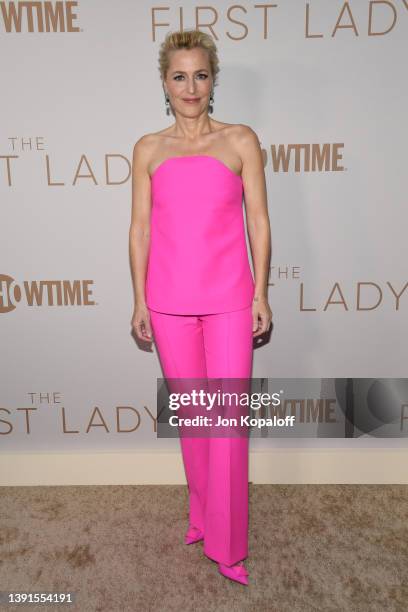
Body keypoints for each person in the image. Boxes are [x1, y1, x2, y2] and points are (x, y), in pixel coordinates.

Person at [129, 29, 272, 586]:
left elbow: (257, 220)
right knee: (194, 418)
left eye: (201, 75)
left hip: (231, 299)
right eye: (179, 76)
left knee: (228, 422)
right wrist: (140, 298)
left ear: (215, 79)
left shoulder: (240, 140)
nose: (191, 87)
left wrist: (261, 292)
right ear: (165, 83)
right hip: (167, 302)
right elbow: (140, 229)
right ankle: (201, 515)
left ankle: (229, 545)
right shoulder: (149, 148)